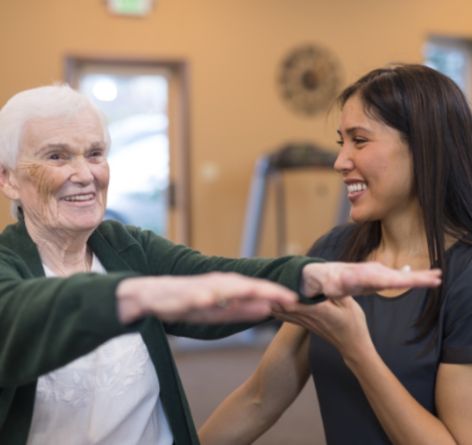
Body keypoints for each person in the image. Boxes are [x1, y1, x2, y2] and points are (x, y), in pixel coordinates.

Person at [0, 84, 440, 445]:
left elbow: (213, 274)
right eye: (57, 156)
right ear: (9, 179)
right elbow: (25, 314)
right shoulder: (9, 269)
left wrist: (307, 274)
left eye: (94, 154)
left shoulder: (124, 247)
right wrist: (133, 294)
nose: (85, 173)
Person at [199, 64, 472, 445]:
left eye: (359, 141)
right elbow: (259, 399)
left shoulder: (464, 277)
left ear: (424, 147)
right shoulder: (333, 253)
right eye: (341, 141)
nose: (340, 161)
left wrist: (357, 350)